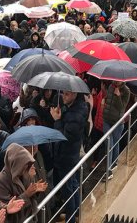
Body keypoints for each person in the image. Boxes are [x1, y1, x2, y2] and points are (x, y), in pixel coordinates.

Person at [50, 91, 88, 223]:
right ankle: (76, 213)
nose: (63, 97)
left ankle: (71, 219)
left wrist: (57, 120)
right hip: (71, 155)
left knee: (68, 191)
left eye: (66, 94)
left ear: (74, 95)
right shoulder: (76, 108)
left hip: (66, 156)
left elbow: (64, 137)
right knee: (73, 184)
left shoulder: (76, 114)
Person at [0, 143, 47, 222]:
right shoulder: (0, 181)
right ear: (16, 163)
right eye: (24, 165)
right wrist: (27, 194)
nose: (26, 167)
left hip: (29, 217)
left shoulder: (24, 174)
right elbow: (6, 208)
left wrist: (35, 190)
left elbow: (31, 197)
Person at [102, 81, 130, 179]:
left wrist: (118, 96)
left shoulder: (126, 91)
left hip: (118, 122)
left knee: (115, 143)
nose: (116, 81)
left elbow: (122, 107)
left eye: (118, 80)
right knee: (109, 144)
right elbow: (108, 100)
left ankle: (113, 163)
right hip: (106, 119)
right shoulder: (110, 86)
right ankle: (108, 170)